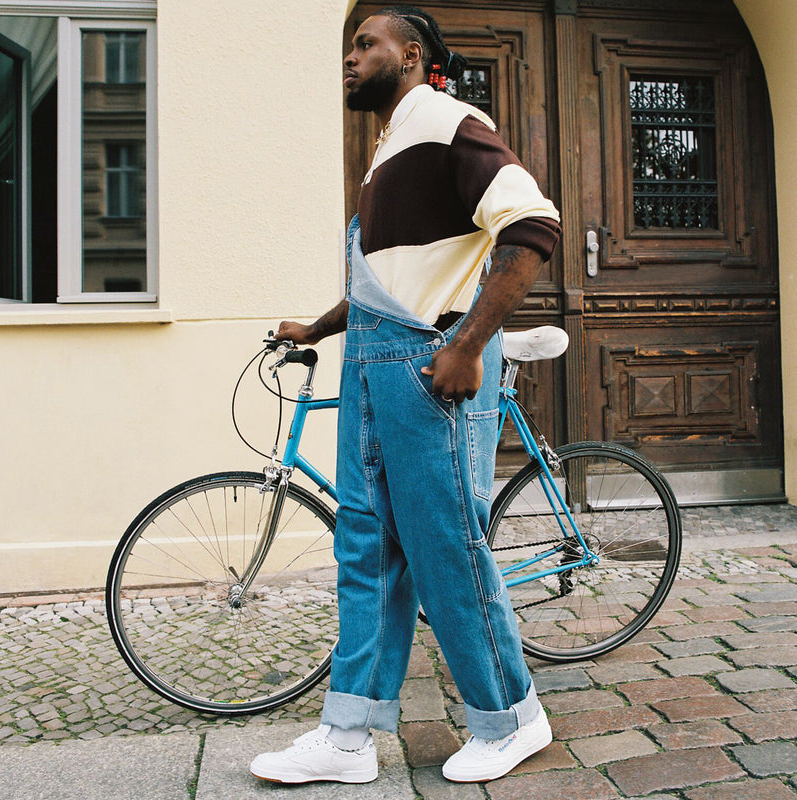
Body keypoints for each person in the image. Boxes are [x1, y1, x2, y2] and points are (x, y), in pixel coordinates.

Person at [249, 5, 561, 785]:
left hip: (427, 371)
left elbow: (533, 227)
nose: (349, 59)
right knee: (367, 548)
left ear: (412, 55)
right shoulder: (387, 150)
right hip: (370, 363)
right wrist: (319, 327)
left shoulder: (451, 122)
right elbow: (387, 283)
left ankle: (511, 717)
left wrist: (466, 345)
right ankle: (348, 733)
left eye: (365, 45)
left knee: (445, 546)